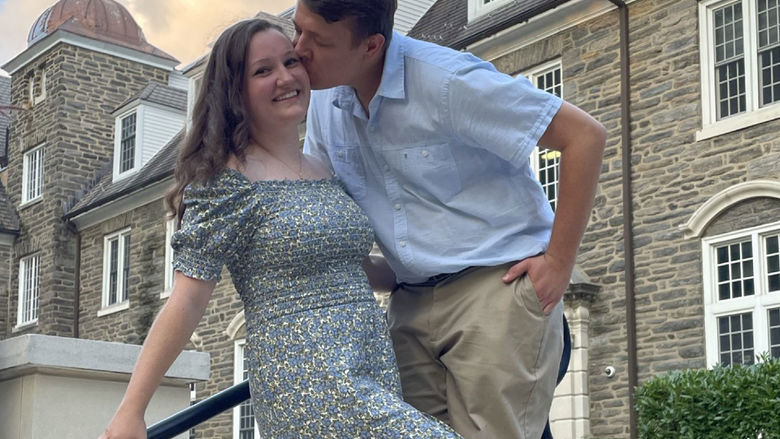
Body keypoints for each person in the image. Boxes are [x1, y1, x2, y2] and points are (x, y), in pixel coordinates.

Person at [99, 18, 463, 439]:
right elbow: (187, 300)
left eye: (291, 61)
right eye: (263, 70)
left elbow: (356, 268)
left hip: (370, 364)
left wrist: (456, 269)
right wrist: (132, 409)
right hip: (306, 378)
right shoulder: (226, 182)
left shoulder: (323, 168)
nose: (286, 77)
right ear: (234, 92)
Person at [293, 1, 607, 438]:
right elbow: (329, 204)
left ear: (371, 45)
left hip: (494, 289)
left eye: (319, 41)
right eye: (298, 30)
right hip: (409, 301)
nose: (298, 49)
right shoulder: (324, 101)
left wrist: (558, 262)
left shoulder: (447, 80)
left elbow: (584, 136)